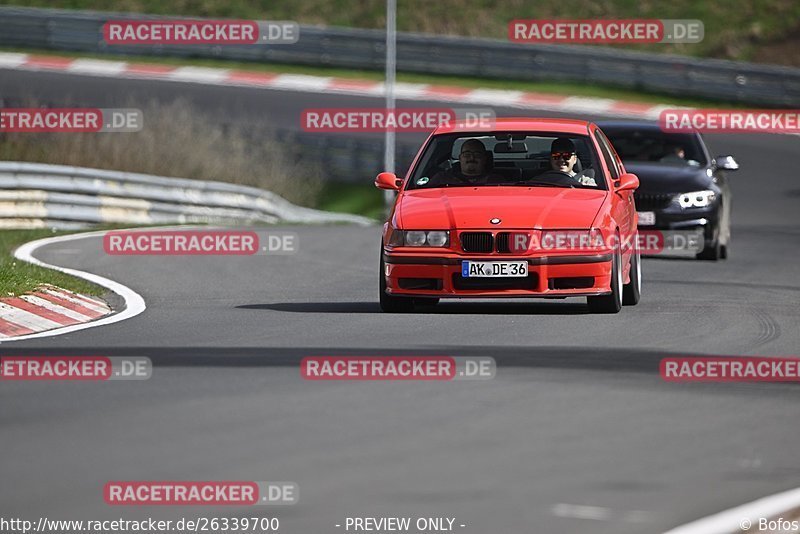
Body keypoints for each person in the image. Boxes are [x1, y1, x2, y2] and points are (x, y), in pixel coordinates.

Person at [431, 139, 503, 186]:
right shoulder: (442, 179)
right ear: (460, 158)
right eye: (467, 154)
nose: (472, 158)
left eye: (477, 155)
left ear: (484, 159)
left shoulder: (496, 181)